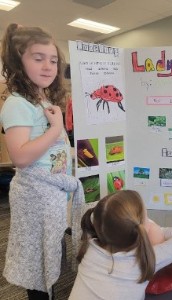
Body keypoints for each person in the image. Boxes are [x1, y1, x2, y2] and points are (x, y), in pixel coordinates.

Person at [0, 23, 83, 300]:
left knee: (51, 253)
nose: (48, 66)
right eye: (38, 58)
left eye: (53, 60)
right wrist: (55, 128)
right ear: (18, 61)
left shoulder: (42, 98)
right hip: (36, 194)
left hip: (53, 191)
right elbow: (21, 157)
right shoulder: (17, 103)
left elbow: (50, 149)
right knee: (36, 263)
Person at [68, 190, 172, 300]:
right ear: (141, 229)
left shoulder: (91, 246)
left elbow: (104, 213)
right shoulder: (144, 258)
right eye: (147, 217)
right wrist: (156, 229)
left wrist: (143, 224)